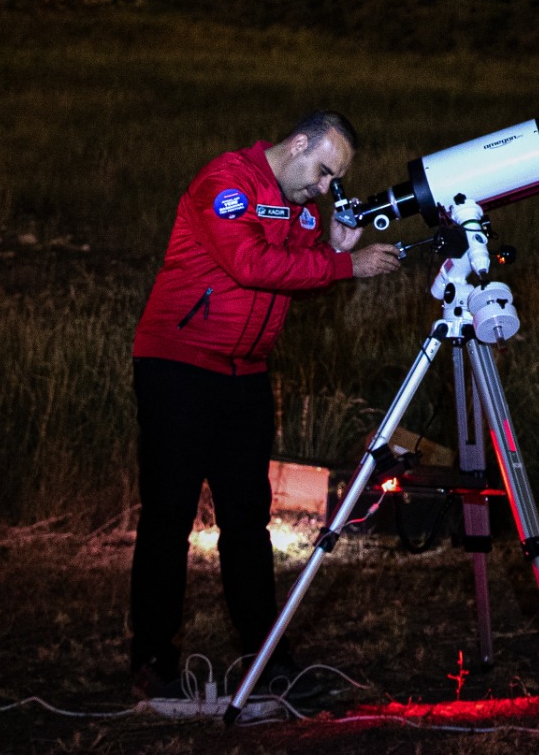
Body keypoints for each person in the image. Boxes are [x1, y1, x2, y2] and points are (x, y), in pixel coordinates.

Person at [127, 111, 400, 697]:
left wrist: (330, 244)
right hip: (177, 365)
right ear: (299, 144)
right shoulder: (227, 181)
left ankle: (266, 661)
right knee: (168, 519)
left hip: (244, 375)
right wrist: (348, 264)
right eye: (324, 172)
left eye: (335, 181)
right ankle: (151, 659)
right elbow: (251, 266)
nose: (325, 189)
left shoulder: (301, 209)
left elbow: (296, 276)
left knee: (248, 523)